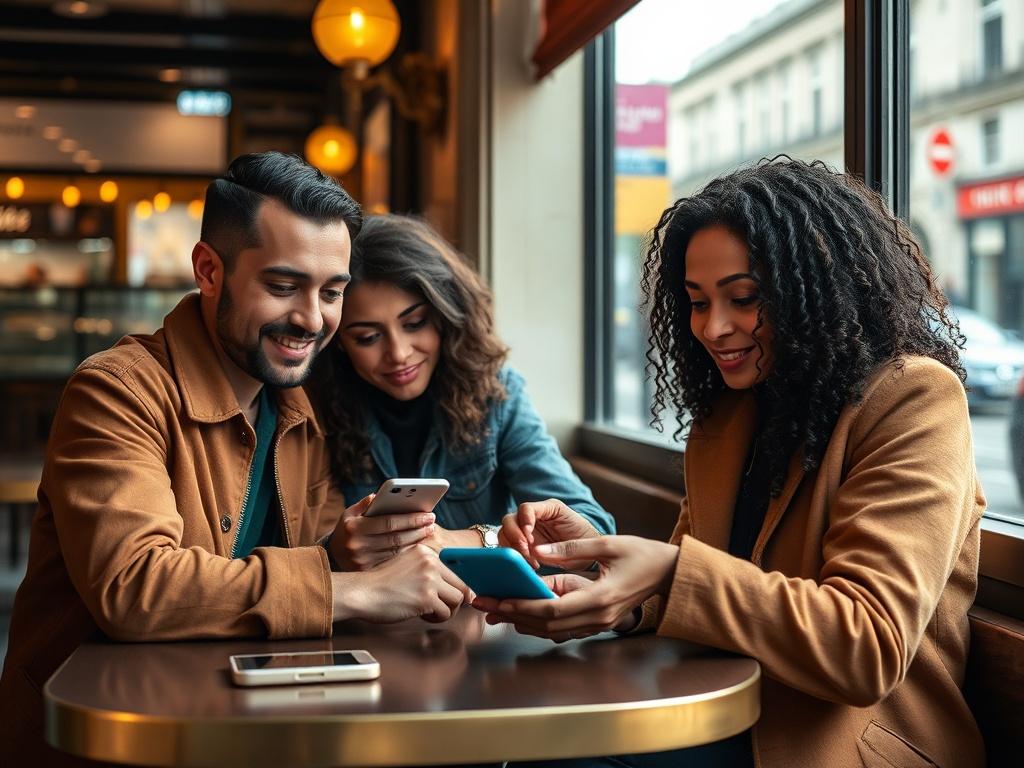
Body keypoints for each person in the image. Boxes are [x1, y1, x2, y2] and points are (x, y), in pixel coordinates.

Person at [478, 159, 985, 768]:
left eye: (744, 298)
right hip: (729, 711)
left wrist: (666, 571)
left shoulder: (914, 397)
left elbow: (866, 646)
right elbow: (698, 590)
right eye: (696, 302)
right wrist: (600, 575)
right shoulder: (731, 416)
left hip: (842, 745)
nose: (713, 328)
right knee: (537, 733)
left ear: (813, 287)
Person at [0, 153, 469, 764]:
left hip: (236, 732)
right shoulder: (115, 391)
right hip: (106, 746)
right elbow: (135, 587)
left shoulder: (301, 409)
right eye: (283, 286)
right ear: (208, 270)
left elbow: (298, 565)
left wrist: (347, 553)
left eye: (332, 293)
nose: (311, 318)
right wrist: (352, 589)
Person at [307, 214, 613, 570]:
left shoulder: (495, 392)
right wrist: (335, 551)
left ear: (444, 315)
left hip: (481, 616)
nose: (399, 353)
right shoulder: (312, 408)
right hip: (373, 618)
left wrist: (472, 540)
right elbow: (302, 548)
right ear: (338, 342)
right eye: (367, 337)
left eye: (414, 323)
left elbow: (596, 531)